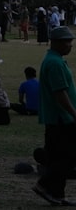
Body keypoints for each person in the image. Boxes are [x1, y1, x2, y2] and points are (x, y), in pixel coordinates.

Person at [32, 26, 76, 206]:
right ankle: (43, 185)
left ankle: (57, 193)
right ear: (56, 42)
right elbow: (60, 94)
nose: (70, 45)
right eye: (66, 41)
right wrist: (73, 113)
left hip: (60, 118)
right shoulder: (55, 63)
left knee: (59, 156)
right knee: (67, 156)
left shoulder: (55, 60)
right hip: (61, 118)